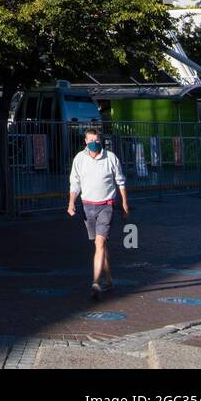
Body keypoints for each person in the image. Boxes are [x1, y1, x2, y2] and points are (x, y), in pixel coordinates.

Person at [67, 124, 129, 300]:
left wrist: (125, 204)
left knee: (100, 244)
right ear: (85, 141)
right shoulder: (80, 158)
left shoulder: (110, 158)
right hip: (88, 205)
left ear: (100, 140)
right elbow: (75, 182)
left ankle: (95, 282)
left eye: (96, 140)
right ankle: (109, 279)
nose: (94, 142)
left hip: (106, 205)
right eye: (91, 140)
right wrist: (71, 202)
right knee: (99, 244)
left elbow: (121, 181)